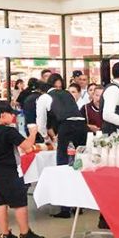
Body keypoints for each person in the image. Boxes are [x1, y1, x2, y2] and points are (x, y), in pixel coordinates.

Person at [0, 101, 45, 238]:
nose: (13, 117)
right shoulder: (8, 131)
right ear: (3, 115)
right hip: (9, 170)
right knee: (19, 202)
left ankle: (5, 235)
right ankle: (25, 233)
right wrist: (34, 133)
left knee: (0, 202)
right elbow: (27, 147)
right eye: (11, 114)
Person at [37, 73, 89, 219]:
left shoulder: (44, 98)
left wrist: (47, 137)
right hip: (81, 126)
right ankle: (80, 204)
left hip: (67, 127)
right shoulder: (67, 94)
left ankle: (65, 208)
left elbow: (41, 122)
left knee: (63, 166)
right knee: (78, 164)